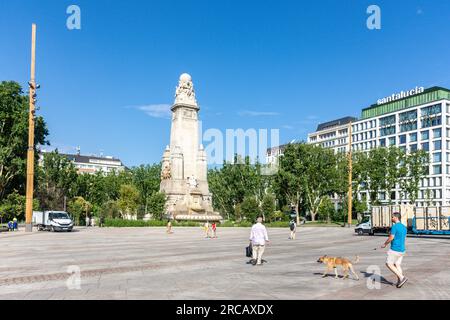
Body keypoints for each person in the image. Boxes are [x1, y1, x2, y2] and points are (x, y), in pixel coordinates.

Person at [381, 212, 408, 288]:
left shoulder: (395, 227)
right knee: (397, 264)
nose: (391, 218)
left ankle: (402, 277)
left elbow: (391, 237)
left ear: (396, 218)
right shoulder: (404, 227)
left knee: (388, 264)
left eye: (392, 217)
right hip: (402, 249)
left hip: (395, 249)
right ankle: (400, 282)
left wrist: (385, 244)